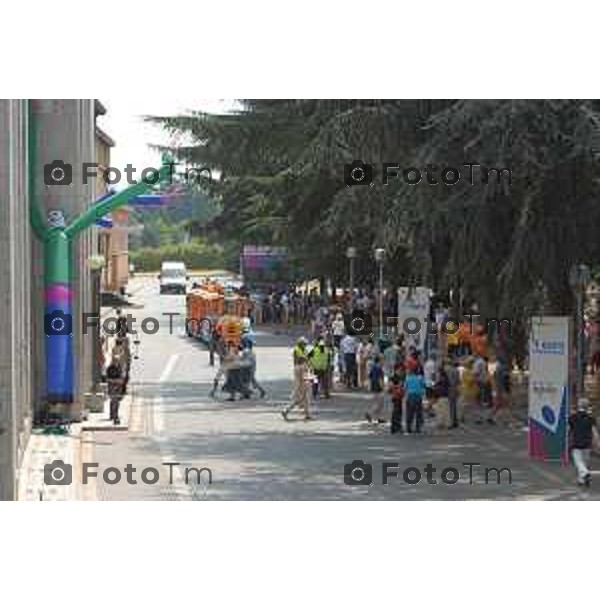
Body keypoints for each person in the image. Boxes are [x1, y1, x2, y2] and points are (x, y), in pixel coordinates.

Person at [568, 397, 600, 486]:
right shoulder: (591, 418)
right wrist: (597, 443)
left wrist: (568, 438)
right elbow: (594, 432)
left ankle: (585, 474)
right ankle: (581, 480)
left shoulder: (572, 417)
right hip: (587, 444)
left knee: (578, 462)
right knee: (585, 463)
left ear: (578, 405)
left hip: (576, 443)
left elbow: (569, 429)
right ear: (587, 406)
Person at [282, 353, 313, 420]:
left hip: (298, 385)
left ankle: (307, 414)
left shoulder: (296, 367)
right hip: (302, 386)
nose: (306, 362)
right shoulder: (303, 367)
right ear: (303, 361)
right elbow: (304, 377)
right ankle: (286, 410)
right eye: (305, 361)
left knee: (304, 401)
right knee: (298, 401)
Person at [405, 367, 425, 434]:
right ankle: (418, 428)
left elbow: (405, 387)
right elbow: (423, 386)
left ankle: (408, 428)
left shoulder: (408, 378)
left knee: (410, 413)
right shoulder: (420, 378)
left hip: (410, 396)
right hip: (418, 397)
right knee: (418, 413)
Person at [365, 355, 385, 424]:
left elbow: (369, 377)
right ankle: (369, 413)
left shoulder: (373, 368)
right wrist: (383, 388)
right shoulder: (379, 369)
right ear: (379, 361)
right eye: (382, 360)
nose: (383, 361)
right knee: (379, 404)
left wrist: (369, 386)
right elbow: (380, 379)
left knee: (377, 403)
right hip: (378, 388)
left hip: (374, 387)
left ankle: (378, 418)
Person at [106, 359, 125, 425]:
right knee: (113, 401)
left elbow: (122, 378)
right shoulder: (110, 368)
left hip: (118, 387)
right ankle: (114, 416)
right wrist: (115, 381)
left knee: (117, 402)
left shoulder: (120, 368)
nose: (116, 362)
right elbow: (107, 379)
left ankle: (114, 415)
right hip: (111, 387)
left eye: (117, 361)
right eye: (115, 361)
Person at [389, 363, 405, 434]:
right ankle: (395, 427)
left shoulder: (401, 377)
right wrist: (398, 386)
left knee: (399, 412)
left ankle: (397, 427)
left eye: (401, 370)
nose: (401, 371)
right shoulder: (393, 377)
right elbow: (390, 387)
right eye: (399, 370)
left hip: (400, 396)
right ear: (396, 370)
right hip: (395, 396)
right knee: (396, 412)